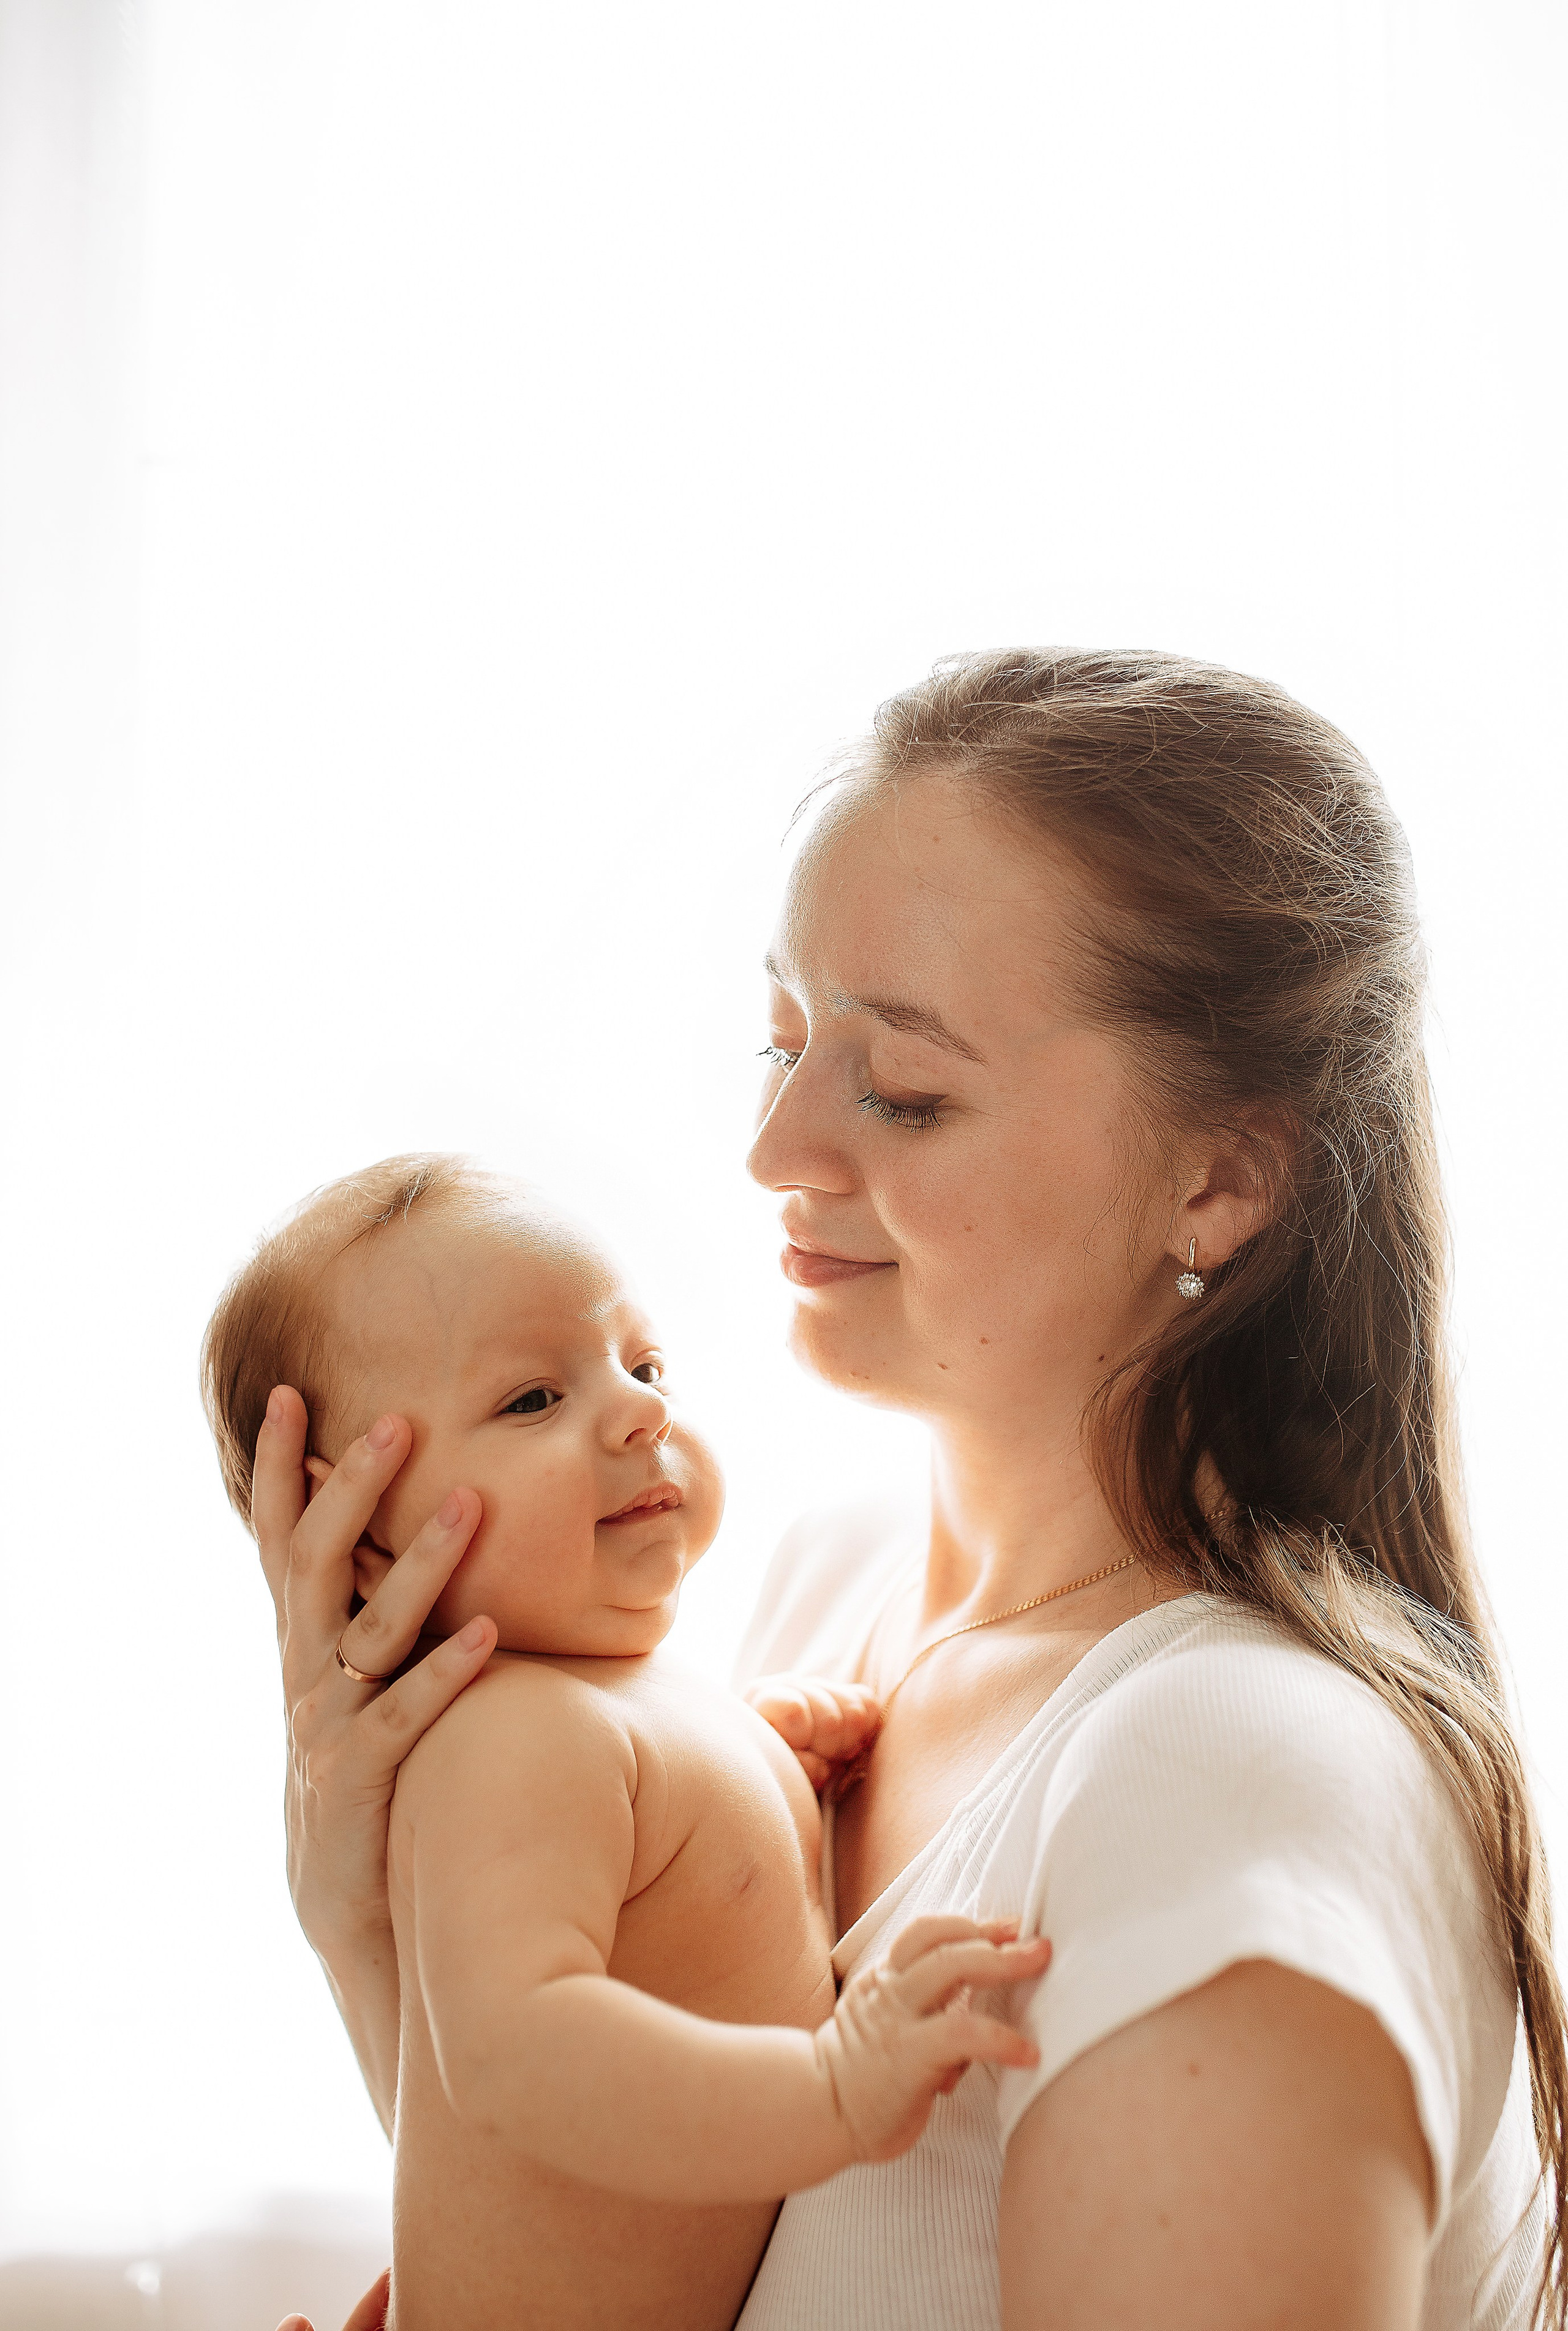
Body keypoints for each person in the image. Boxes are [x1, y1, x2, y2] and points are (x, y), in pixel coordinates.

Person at [257, 650, 1565, 2330]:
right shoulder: (826, 1592)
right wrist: (369, 1908)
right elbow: (612, 2261)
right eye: (783, 1037)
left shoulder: (1227, 1773)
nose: (775, 1148)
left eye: (906, 1086)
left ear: (1221, 1181)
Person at [203, 1158, 1047, 2330]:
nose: (642, 1407)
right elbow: (512, 2048)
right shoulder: (505, 1736)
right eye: (533, 1399)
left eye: (643, 1365)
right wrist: (833, 2086)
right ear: (356, 1531)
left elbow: (669, 1905)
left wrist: (761, 1765)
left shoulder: (619, 1701)